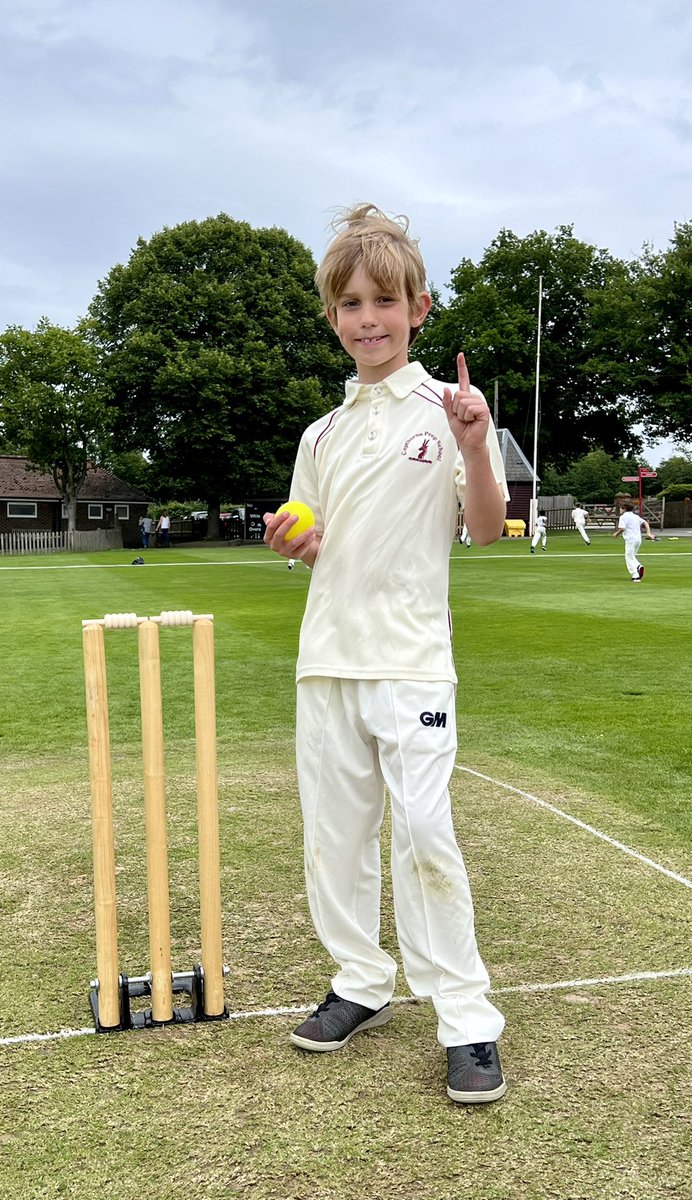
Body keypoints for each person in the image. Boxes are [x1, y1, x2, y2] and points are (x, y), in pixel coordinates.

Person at [262, 204, 508, 1104]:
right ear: (334, 317)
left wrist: (478, 447)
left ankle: (467, 1021)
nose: (369, 318)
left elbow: (483, 532)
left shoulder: (452, 413)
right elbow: (312, 540)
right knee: (334, 841)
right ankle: (360, 983)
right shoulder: (318, 436)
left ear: (420, 308)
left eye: (385, 302)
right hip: (326, 660)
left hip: (410, 664)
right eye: (352, 305)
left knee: (425, 839)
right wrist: (292, 543)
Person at [613, 501, 655, 581]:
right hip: (638, 539)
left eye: (621, 508)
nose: (620, 510)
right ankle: (638, 567)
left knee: (628, 557)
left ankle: (635, 575)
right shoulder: (635, 516)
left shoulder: (623, 517)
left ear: (624, 509)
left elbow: (622, 528)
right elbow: (645, 522)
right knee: (632, 556)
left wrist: (617, 534)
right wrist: (648, 533)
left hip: (630, 539)